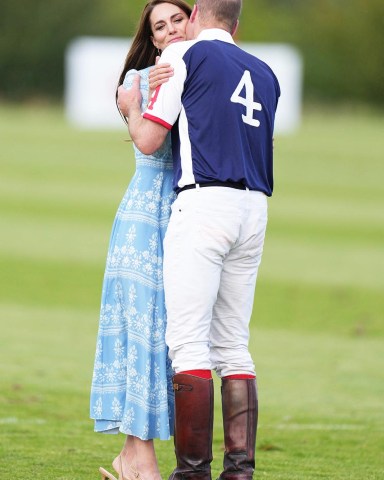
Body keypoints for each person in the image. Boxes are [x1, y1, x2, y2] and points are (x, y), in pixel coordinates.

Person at [117, 1, 280, 479]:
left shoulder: (186, 56)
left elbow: (149, 140)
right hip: (254, 207)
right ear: (237, 23)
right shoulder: (265, 71)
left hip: (204, 201)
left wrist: (131, 111)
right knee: (234, 345)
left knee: (188, 345)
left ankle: (191, 472)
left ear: (197, 16)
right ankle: (240, 472)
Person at [89, 2, 192, 480]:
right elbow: (143, 136)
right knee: (143, 333)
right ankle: (140, 459)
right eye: (160, 26)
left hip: (187, 217)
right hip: (143, 218)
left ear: (193, 22)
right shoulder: (139, 80)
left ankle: (133, 457)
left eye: (177, 20)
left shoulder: (200, 72)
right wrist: (134, 108)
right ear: (152, 39)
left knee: (171, 338)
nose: (170, 30)